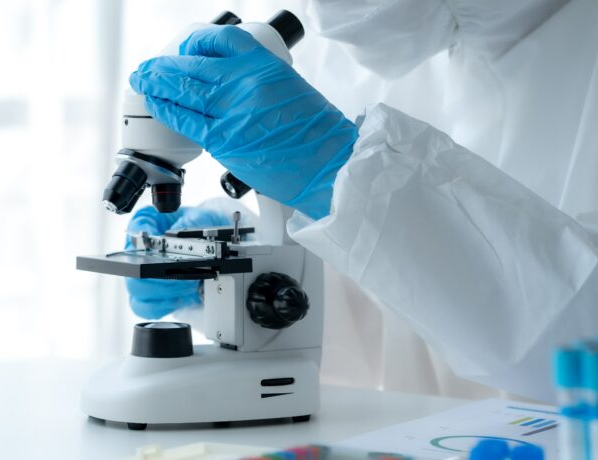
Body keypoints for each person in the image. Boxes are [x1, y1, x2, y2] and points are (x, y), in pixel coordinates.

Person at [122, 0, 598, 403]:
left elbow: (580, 344)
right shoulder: (386, 52)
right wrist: (234, 264)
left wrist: (354, 181)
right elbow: (380, 301)